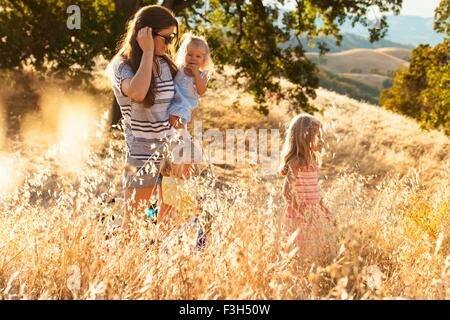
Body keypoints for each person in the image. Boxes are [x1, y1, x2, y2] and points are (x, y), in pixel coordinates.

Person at [107, 5, 179, 230]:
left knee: (166, 225)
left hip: (171, 157)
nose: (169, 44)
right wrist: (147, 52)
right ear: (145, 33)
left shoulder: (165, 63)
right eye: (166, 38)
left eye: (173, 38)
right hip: (142, 156)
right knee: (134, 226)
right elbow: (138, 92)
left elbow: (183, 101)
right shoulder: (122, 66)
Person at [279, 114, 336, 261]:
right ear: (304, 137)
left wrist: (326, 212)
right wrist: (303, 212)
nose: (320, 140)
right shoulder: (296, 161)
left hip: (314, 212)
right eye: (316, 136)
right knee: (300, 252)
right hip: (299, 215)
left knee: (315, 250)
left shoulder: (312, 159)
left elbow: (315, 191)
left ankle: (312, 276)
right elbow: (287, 193)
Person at [168, 33, 214, 129]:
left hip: (188, 105)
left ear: (204, 60)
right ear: (184, 54)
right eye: (190, 54)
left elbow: (201, 91)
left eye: (198, 56)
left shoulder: (202, 75)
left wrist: (196, 74)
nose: (193, 58)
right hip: (174, 101)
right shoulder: (179, 69)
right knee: (171, 120)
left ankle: (180, 136)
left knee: (178, 124)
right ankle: (177, 136)